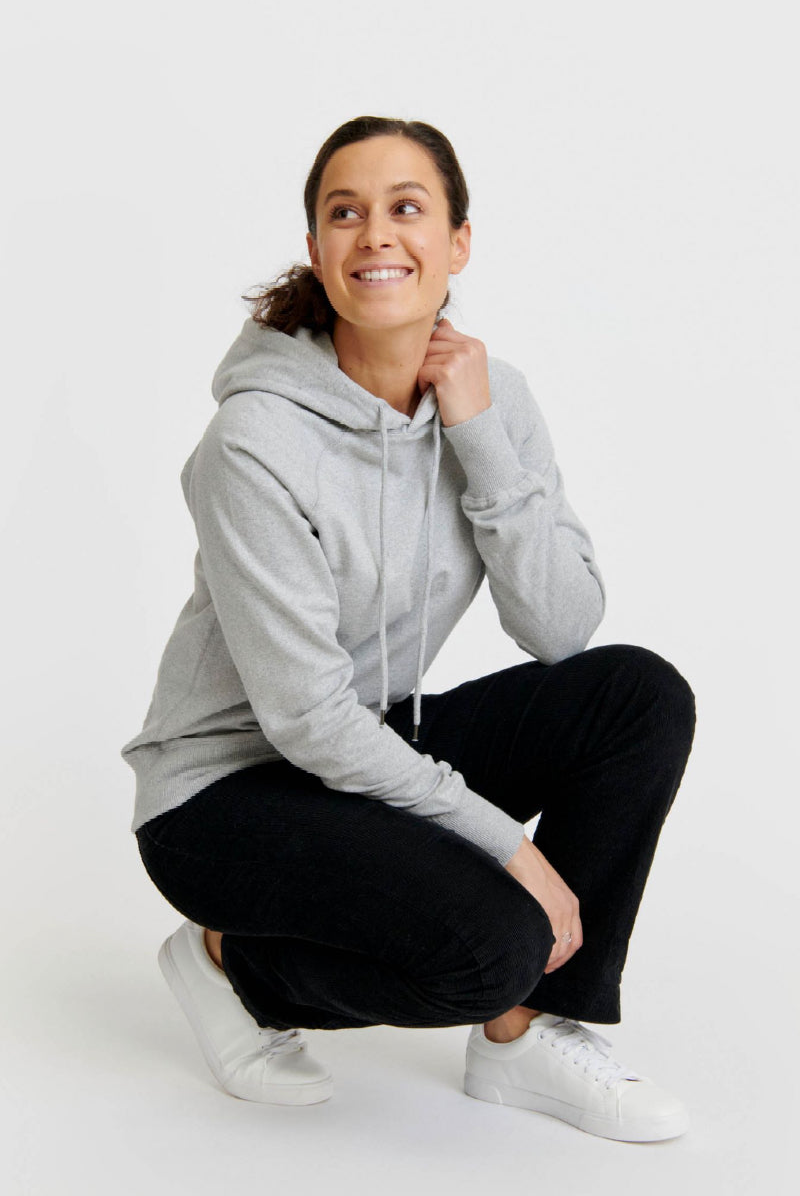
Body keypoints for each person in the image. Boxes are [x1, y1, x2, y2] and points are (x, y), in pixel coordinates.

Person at [120, 115, 696, 1142]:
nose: (375, 234)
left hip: (368, 746)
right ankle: (226, 961)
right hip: (220, 797)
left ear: (457, 243)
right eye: (345, 213)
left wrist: (476, 431)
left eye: (406, 208)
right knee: (491, 944)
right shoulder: (252, 441)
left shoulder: (496, 396)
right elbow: (305, 721)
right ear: (316, 250)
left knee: (634, 695)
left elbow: (561, 629)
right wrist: (507, 849)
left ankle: (527, 1036)